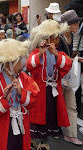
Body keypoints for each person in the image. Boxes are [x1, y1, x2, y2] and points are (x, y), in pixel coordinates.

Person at [0, 39, 40, 150]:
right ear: (8, 64)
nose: (22, 62)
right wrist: (4, 100)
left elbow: (35, 95)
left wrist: (21, 92)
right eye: (19, 60)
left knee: (20, 145)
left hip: (21, 120)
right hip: (3, 124)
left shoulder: (23, 78)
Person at [26, 20, 72, 149]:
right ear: (49, 37)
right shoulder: (37, 52)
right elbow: (30, 65)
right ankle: (31, 140)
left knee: (49, 116)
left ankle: (43, 142)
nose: (58, 39)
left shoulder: (58, 52)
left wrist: (56, 54)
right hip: (39, 90)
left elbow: (67, 65)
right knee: (37, 117)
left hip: (52, 91)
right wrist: (41, 52)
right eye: (56, 36)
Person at [59, 10, 82, 145]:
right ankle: (52, 130)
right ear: (68, 24)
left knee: (71, 106)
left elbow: (67, 56)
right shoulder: (59, 37)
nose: (78, 25)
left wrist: (76, 58)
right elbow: (58, 57)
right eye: (75, 23)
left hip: (67, 78)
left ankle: (71, 134)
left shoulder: (71, 36)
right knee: (55, 106)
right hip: (57, 78)